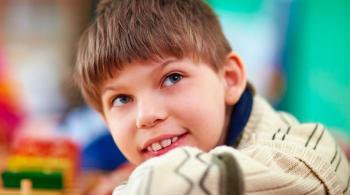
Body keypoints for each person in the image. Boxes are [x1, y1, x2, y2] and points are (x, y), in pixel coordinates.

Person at [74, 0, 350, 194]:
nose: (146, 115)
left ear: (229, 79)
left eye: (172, 78)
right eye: (121, 99)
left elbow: (319, 172)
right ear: (105, 119)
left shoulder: (302, 152)